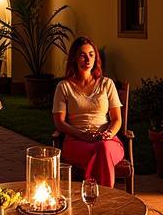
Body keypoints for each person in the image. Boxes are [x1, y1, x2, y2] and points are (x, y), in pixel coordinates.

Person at [52, 36, 125, 187]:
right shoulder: (64, 86)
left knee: (103, 147)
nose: (87, 59)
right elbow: (59, 122)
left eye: (91, 54)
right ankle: (104, 196)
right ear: (74, 58)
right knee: (100, 151)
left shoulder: (107, 84)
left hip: (107, 140)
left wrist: (108, 134)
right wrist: (81, 135)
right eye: (82, 55)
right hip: (76, 141)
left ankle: (94, 195)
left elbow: (117, 119)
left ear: (96, 58)